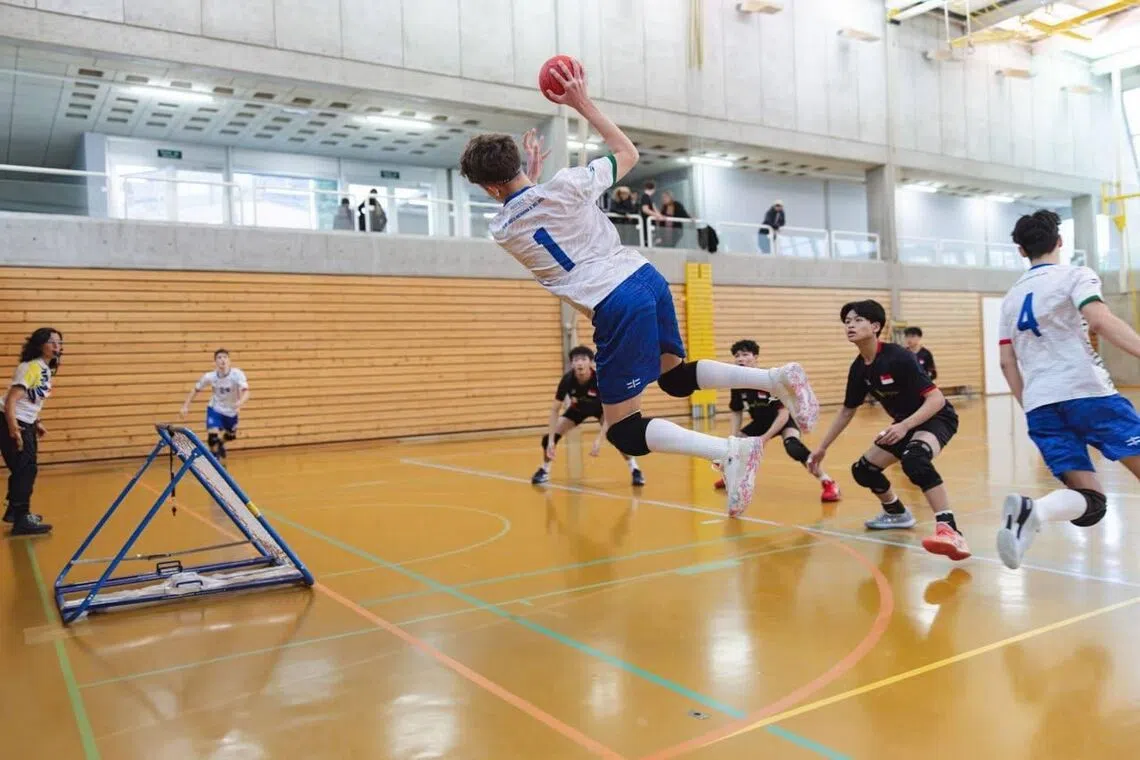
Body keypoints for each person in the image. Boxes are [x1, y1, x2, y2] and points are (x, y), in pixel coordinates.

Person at [459, 58, 818, 516]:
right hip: (645, 277)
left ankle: (730, 452)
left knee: (625, 431)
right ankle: (773, 378)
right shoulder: (569, 185)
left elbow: (523, 205)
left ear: (489, 188)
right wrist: (580, 102)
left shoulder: (502, 228)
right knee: (672, 377)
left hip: (615, 304)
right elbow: (625, 151)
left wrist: (524, 179)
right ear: (517, 165)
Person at [994, 210, 1140, 569]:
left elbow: (1006, 363)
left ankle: (1035, 512)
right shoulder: (1075, 275)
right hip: (1088, 393)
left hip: (1041, 405)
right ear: (1059, 242)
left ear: (1020, 250)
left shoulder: (1011, 298)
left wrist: (1030, 405)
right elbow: (1100, 321)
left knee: (1091, 502)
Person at [807, 300, 970, 560]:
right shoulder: (859, 368)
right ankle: (896, 512)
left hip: (936, 417)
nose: (850, 325)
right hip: (903, 424)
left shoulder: (898, 357)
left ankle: (950, 530)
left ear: (875, 326)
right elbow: (848, 410)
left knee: (915, 459)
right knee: (863, 470)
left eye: (857, 320)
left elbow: (936, 399)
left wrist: (904, 425)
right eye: (847, 321)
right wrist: (822, 448)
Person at [713, 340, 840, 503]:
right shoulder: (737, 384)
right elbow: (736, 411)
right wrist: (734, 436)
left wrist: (764, 438)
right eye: (737, 356)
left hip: (783, 422)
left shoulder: (769, 381)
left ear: (755, 357)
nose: (740, 359)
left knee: (794, 448)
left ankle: (828, 482)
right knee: (733, 447)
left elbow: (783, 415)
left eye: (745, 355)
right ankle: (730, 479)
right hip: (759, 422)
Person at [532, 345, 644, 487]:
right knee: (548, 438)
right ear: (571, 363)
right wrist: (550, 442)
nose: (579, 363)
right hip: (577, 410)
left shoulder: (600, 380)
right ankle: (544, 470)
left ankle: (635, 469)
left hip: (603, 410)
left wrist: (599, 440)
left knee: (616, 435)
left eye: (583, 359)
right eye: (576, 360)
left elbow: (610, 413)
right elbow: (555, 410)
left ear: (591, 362)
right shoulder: (567, 380)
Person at [1, 327, 62, 536]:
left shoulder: (44, 368)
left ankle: (18, 514)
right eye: (52, 342)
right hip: (11, 420)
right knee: (25, 469)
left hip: (24, 421)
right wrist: (13, 428)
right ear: (39, 345)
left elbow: (30, 400)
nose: (57, 346)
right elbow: (11, 400)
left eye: (59, 343)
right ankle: (21, 518)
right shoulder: (30, 367)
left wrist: (36, 422)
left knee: (25, 468)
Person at [180, 349, 249, 461]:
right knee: (212, 437)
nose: (222, 360)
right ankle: (215, 461)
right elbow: (195, 389)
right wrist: (185, 406)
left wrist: (240, 402)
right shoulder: (209, 376)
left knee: (231, 436)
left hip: (231, 411)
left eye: (225, 357)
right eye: (219, 358)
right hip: (215, 409)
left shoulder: (237, 374)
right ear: (215, 362)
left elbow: (246, 392)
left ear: (229, 360)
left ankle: (221, 443)